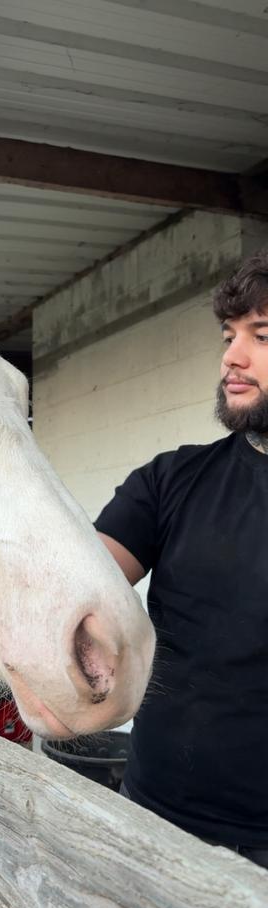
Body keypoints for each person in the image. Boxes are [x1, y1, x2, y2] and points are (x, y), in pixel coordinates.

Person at [95, 252, 268, 867]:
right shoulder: (171, 480)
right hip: (156, 817)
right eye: (228, 336)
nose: (232, 357)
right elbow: (80, 587)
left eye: (261, 335)